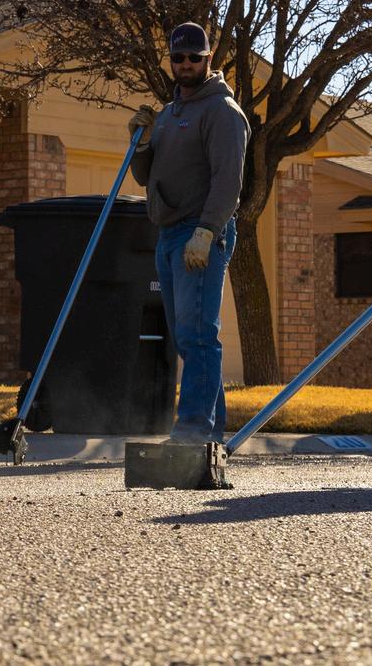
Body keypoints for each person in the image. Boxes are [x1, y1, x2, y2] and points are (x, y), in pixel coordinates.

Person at [127, 22, 250, 444]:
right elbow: (144, 176)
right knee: (188, 338)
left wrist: (207, 231)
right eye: (178, 57)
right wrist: (142, 142)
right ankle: (210, 435)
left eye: (194, 57)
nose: (185, 64)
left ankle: (193, 431)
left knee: (198, 336)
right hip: (167, 234)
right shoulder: (169, 114)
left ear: (208, 59)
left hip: (200, 234)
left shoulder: (223, 112)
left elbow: (228, 181)